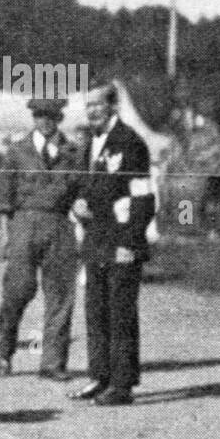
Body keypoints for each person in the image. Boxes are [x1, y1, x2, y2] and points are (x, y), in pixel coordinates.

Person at [68, 82, 155, 406]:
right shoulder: (91, 142)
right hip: (96, 240)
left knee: (120, 314)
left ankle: (122, 384)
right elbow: (86, 186)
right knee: (96, 311)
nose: (91, 111)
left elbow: (144, 199)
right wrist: (79, 202)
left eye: (97, 105)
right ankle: (100, 376)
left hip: (121, 241)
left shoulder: (130, 142)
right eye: (87, 105)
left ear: (113, 106)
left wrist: (130, 242)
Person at [0, 98, 81, 379]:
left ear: (59, 118)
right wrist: (8, 238)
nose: (44, 121)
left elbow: (82, 190)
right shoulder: (17, 152)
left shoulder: (73, 152)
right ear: (33, 118)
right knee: (17, 291)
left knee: (61, 296)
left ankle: (52, 364)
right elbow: (4, 200)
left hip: (59, 225)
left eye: (50, 116)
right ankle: (5, 351)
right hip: (24, 225)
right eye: (39, 115)